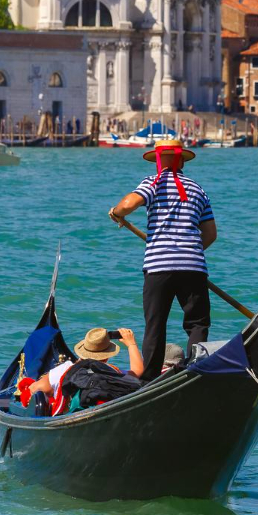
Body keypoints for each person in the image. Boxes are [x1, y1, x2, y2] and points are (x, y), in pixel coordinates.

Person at [109, 138, 216, 383]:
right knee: (198, 323)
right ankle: (195, 372)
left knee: (155, 325)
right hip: (193, 267)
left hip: (158, 267)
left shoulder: (152, 183)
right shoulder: (198, 189)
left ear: (158, 160)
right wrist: (190, 254)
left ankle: (148, 380)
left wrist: (116, 213)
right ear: (181, 161)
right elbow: (210, 234)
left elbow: (128, 204)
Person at [26, 327, 143, 415]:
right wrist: (131, 344)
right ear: (107, 356)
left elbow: (34, 389)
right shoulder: (112, 372)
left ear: (82, 350)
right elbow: (137, 372)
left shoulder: (64, 370)